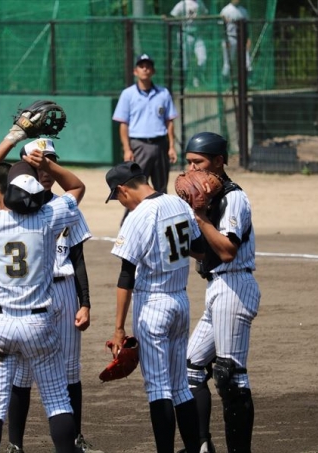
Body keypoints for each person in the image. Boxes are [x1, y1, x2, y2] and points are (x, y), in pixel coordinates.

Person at [0, 125, 87, 453]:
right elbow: (77, 186)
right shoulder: (49, 217)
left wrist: (13, 136)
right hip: (37, 324)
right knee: (57, 400)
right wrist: (46, 164)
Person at [104, 161, 204, 453]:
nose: (121, 202)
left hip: (153, 306)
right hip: (180, 303)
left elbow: (126, 276)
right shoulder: (178, 204)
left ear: (123, 189)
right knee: (180, 386)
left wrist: (119, 329)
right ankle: (193, 448)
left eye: (117, 197)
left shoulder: (138, 216)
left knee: (159, 388)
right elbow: (200, 250)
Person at [183, 132, 261, 453]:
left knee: (231, 376)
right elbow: (205, 252)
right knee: (190, 368)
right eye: (188, 162)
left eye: (198, 162)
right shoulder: (206, 199)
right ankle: (202, 445)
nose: (191, 169)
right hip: (217, 288)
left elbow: (227, 250)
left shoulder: (233, 198)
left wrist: (200, 218)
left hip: (235, 287)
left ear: (218, 161)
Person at [112, 54, 178, 199]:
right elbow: (123, 124)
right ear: (135, 71)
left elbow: (169, 121)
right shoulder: (128, 94)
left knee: (161, 187)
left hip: (160, 144)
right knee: (136, 186)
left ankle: (161, 213)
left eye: (148, 66)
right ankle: (131, 214)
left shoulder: (163, 93)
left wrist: (171, 146)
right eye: (141, 66)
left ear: (153, 71)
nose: (145, 69)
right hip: (139, 145)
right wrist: (127, 149)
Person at [169, 0, 209, 88]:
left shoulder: (200, 2)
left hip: (198, 33)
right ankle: (185, 83)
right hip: (185, 34)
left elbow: (205, 14)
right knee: (185, 61)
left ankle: (197, 77)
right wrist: (181, 20)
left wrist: (201, 18)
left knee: (203, 58)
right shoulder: (182, 3)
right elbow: (173, 15)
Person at [220, 0, 252, 77]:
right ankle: (225, 79)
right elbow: (221, 27)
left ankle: (248, 79)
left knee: (247, 61)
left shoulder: (243, 11)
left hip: (242, 38)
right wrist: (225, 40)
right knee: (228, 63)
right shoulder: (225, 10)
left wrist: (248, 39)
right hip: (229, 38)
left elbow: (247, 27)